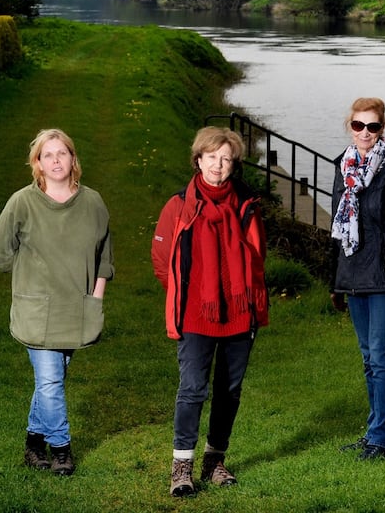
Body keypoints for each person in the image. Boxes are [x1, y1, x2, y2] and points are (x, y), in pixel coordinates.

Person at [0, 128, 114, 476]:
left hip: (77, 309)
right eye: (48, 155)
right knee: (50, 383)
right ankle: (61, 449)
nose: (56, 160)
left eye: (62, 153)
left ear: (73, 159)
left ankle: (32, 444)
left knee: (51, 380)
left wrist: (96, 300)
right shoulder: (22, 203)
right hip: (37, 312)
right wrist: (31, 274)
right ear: (38, 164)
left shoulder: (93, 202)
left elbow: (104, 257)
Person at [151, 126, 269, 497]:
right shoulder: (178, 205)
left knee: (229, 391)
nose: (218, 165)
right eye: (212, 157)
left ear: (233, 165)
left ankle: (214, 461)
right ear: (198, 159)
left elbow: (257, 257)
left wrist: (242, 300)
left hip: (238, 313)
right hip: (196, 316)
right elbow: (161, 259)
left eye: (226, 159)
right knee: (192, 390)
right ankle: (181, 467)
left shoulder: (246, 204)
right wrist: (189, 298)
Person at [329, 97, 385, 461]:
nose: (365, 133)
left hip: (384, 277)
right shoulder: (342, 165)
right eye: (358, 125)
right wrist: (335, 281)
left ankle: (383, 438)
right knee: (368, 358)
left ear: (382, 129)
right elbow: (337, 230)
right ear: (349, 126)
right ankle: (374, 432)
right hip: (352, 276)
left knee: (381, 358)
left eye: (373, 126)